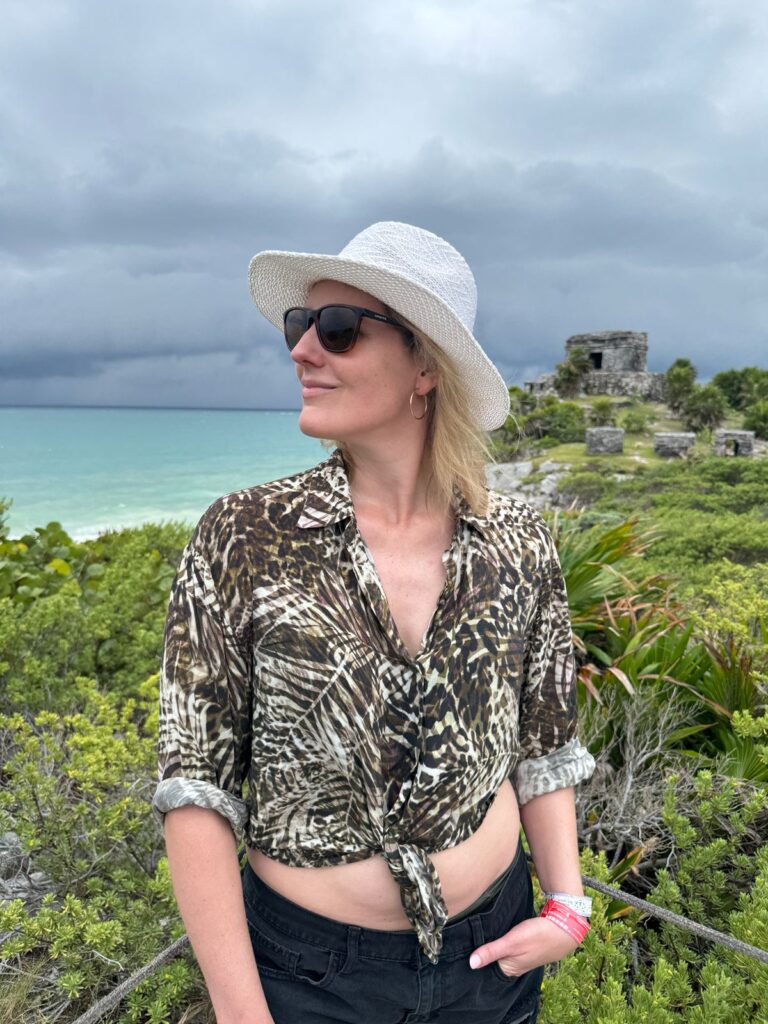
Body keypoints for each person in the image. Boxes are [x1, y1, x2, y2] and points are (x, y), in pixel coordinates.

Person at [152, 221, 596, 1024]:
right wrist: (243, 1014)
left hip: (493, 954)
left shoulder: (518, 540)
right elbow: (197, 789)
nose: (301, 351)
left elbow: (545, 740)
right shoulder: (245, 537)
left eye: (338, 329)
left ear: (426, 365)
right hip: (309, 978)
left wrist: (567, 906)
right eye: (300, 325)